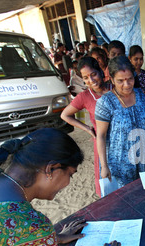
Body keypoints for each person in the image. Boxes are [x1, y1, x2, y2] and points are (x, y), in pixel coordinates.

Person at [95, 55, 145, 190]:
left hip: (144, 160)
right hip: (120, 165)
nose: (126, 85)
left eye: (130, 79)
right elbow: (101, 136)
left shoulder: (142, 96)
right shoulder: (106, 102)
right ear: (112, 79)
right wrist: (104, 166)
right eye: (120, 80)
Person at [61, 57, 110, 197]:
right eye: (86, 78)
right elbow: (65, 115)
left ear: (100, 71)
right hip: (102, 143)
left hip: (121, 141)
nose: (91, 80)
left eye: (93, 74)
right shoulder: (85, 96)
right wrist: (87, 129)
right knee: (106, 178)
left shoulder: (114, 88)